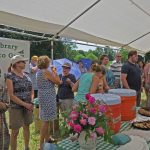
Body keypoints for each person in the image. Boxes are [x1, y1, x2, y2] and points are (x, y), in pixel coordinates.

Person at [6, 55, 34, 150]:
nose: (25, 63)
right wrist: (25, 104)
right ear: (16, 64)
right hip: (15, 107)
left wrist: (31, 102)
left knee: (27, 127)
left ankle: (27, 147)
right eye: (22, 61)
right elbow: (11, 95)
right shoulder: (10, 76)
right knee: (15, 132)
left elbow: (32, 90)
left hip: (28, 106)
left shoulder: (27, 75)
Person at [36, 56, 60, 150]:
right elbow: (58, 82)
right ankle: (41, 145)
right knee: (46, 121)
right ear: (46, 63)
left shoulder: (38, 72)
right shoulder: (46, 71)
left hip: (42, 96)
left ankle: (47, 139)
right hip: (48, 96)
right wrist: (55, 72)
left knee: (46, 119)